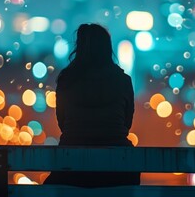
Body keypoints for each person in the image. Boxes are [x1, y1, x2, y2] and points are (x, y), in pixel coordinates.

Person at [44, 23, 140, 187]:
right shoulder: (123, 81)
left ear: (79, 48)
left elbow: (62, 122)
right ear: (107, 48)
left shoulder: (67, 80)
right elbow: (126, 123)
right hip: (117, 165)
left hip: (72, 161)